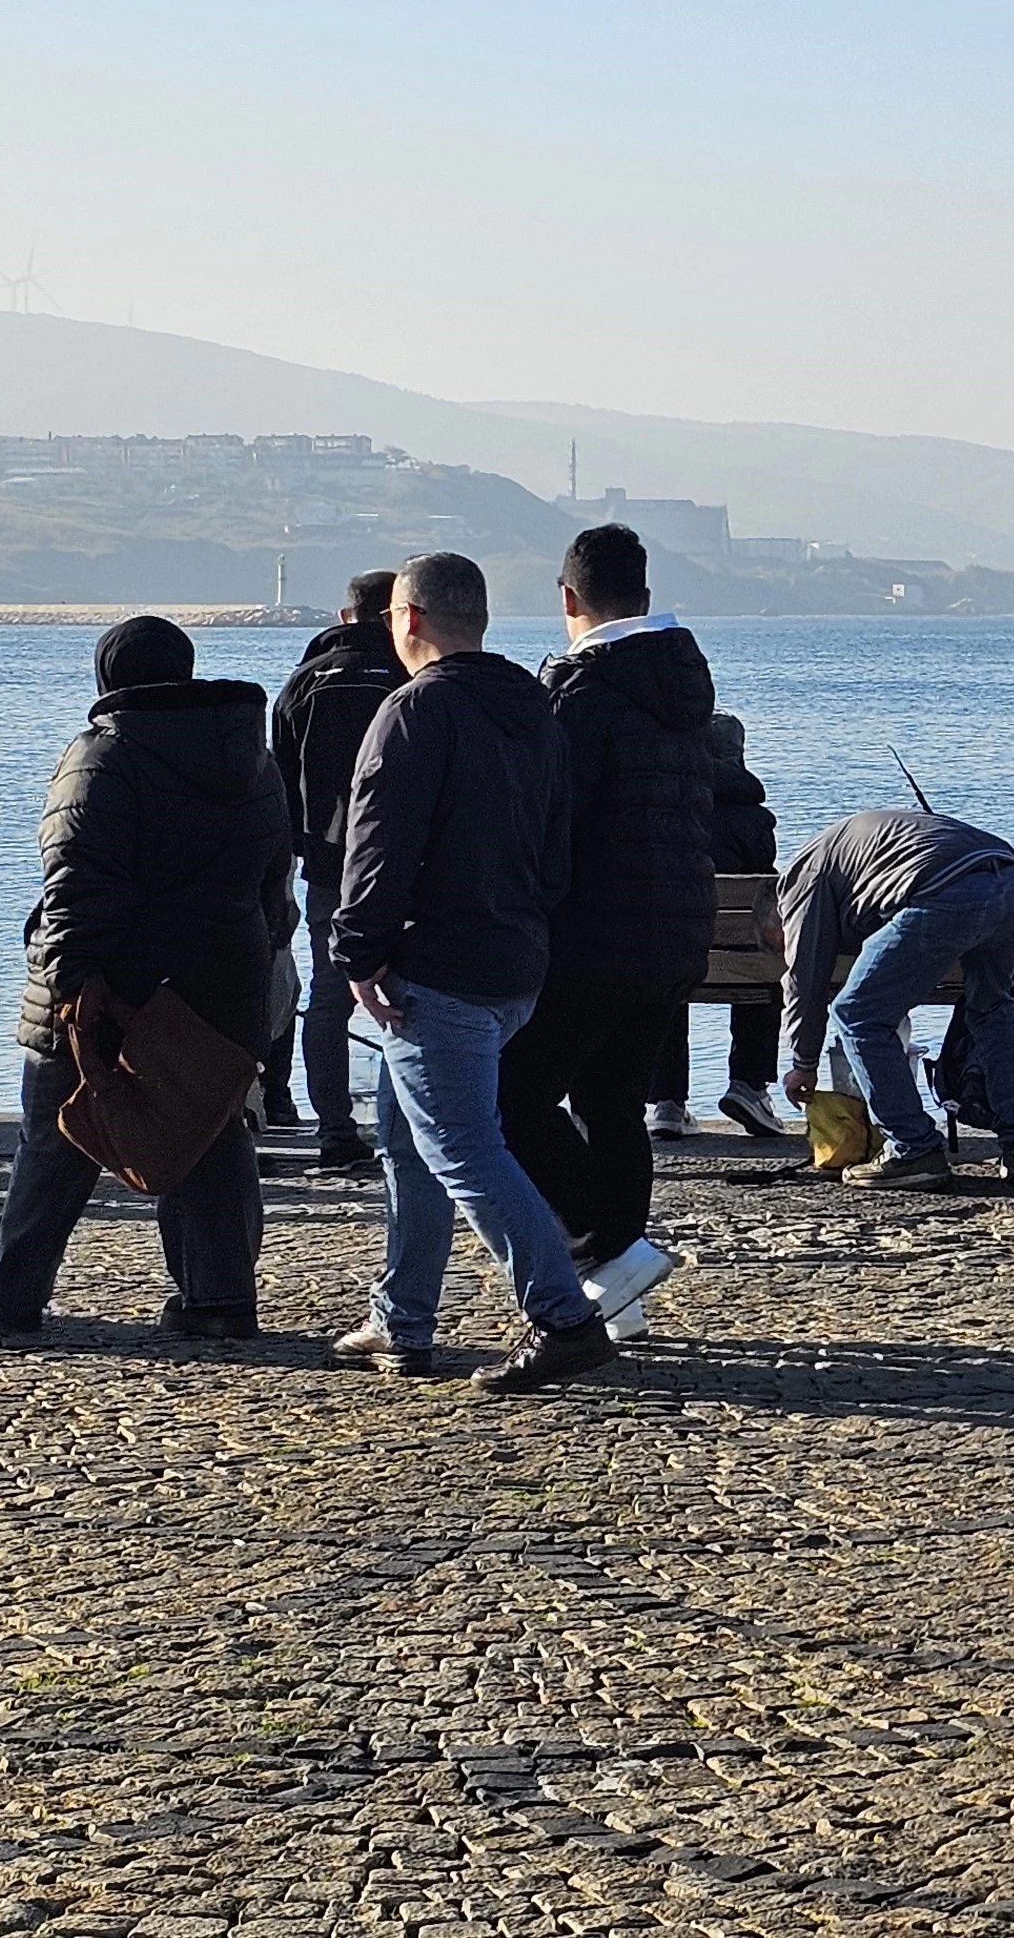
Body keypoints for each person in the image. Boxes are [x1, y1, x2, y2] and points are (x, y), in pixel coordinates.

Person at [0, 619, 292, 1338]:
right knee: (209, 1126)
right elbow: (274, 876)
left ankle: (9, 1282)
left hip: (118, 984)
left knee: (56, 1124)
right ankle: (219, 1296)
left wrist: (65, 981)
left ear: (107, 680)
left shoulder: (105, 757)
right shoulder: (253, 758)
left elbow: (78, 886)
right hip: (224, 977)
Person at [327, 551, 610, 1396]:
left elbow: (378, 845)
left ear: (405, 619)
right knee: (410, 1140)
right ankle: (402, 1313)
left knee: (461, 1148)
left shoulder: (413, 713)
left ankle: (563, 1317)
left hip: (437, 966)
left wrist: (356, 951)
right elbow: (559, 845)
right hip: (516, 959)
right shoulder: (536, 707)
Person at [499, 525, 717, 1339]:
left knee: (508, 1095)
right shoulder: (684, 687)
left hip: (593, 932)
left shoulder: (581, 694)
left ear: (566, 599)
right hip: (675, 929)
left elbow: (552, 823)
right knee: (610, 1101)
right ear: (647, 598)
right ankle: (621, 1296)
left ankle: (608, 1250)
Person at [777, 807, 1014, 1190]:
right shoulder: (846, 852)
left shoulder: (801, 880)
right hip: (1012, 882)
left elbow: (805, 978)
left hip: (946, 890)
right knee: (991, 1006)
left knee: (857, 1015)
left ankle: (914, 1149)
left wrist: (803, 1063)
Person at [268, 570, 410, 1172]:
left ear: (344, 615)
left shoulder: (303, 682)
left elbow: (278, 778)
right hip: (408, 861)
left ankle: (334, 1129)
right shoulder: (412, 680)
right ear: (397, 616)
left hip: (327, 863)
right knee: (417, 997)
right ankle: (413, 1126)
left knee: (331, 998)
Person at [647, 711, 784, 1139]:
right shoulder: (755, 818)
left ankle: (667, 1101)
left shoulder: (665, 812)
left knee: (667, 966)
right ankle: (749, 1085)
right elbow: (765, 895)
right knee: (764, 967)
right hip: (738, 963)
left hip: (672, 957)